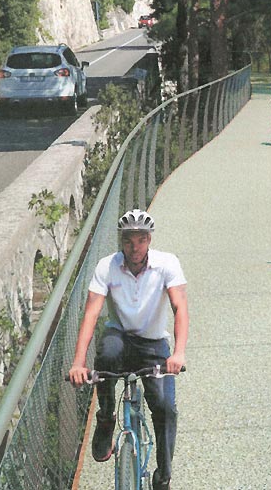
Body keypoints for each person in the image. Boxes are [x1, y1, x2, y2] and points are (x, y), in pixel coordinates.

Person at [68, 209, 188, 490]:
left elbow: (179, 307)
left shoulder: (167, 264)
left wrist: (178, 353)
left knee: (165, 410)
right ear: (121, 241)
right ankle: (107, 417)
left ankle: (163, 476)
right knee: (107, 355)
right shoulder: (106, 266)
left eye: (140, 241)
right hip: (120, 336)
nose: (134, 248)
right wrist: (78, 363)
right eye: (128, 241)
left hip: (154, 342)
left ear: (149, 240)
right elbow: (91, 314)